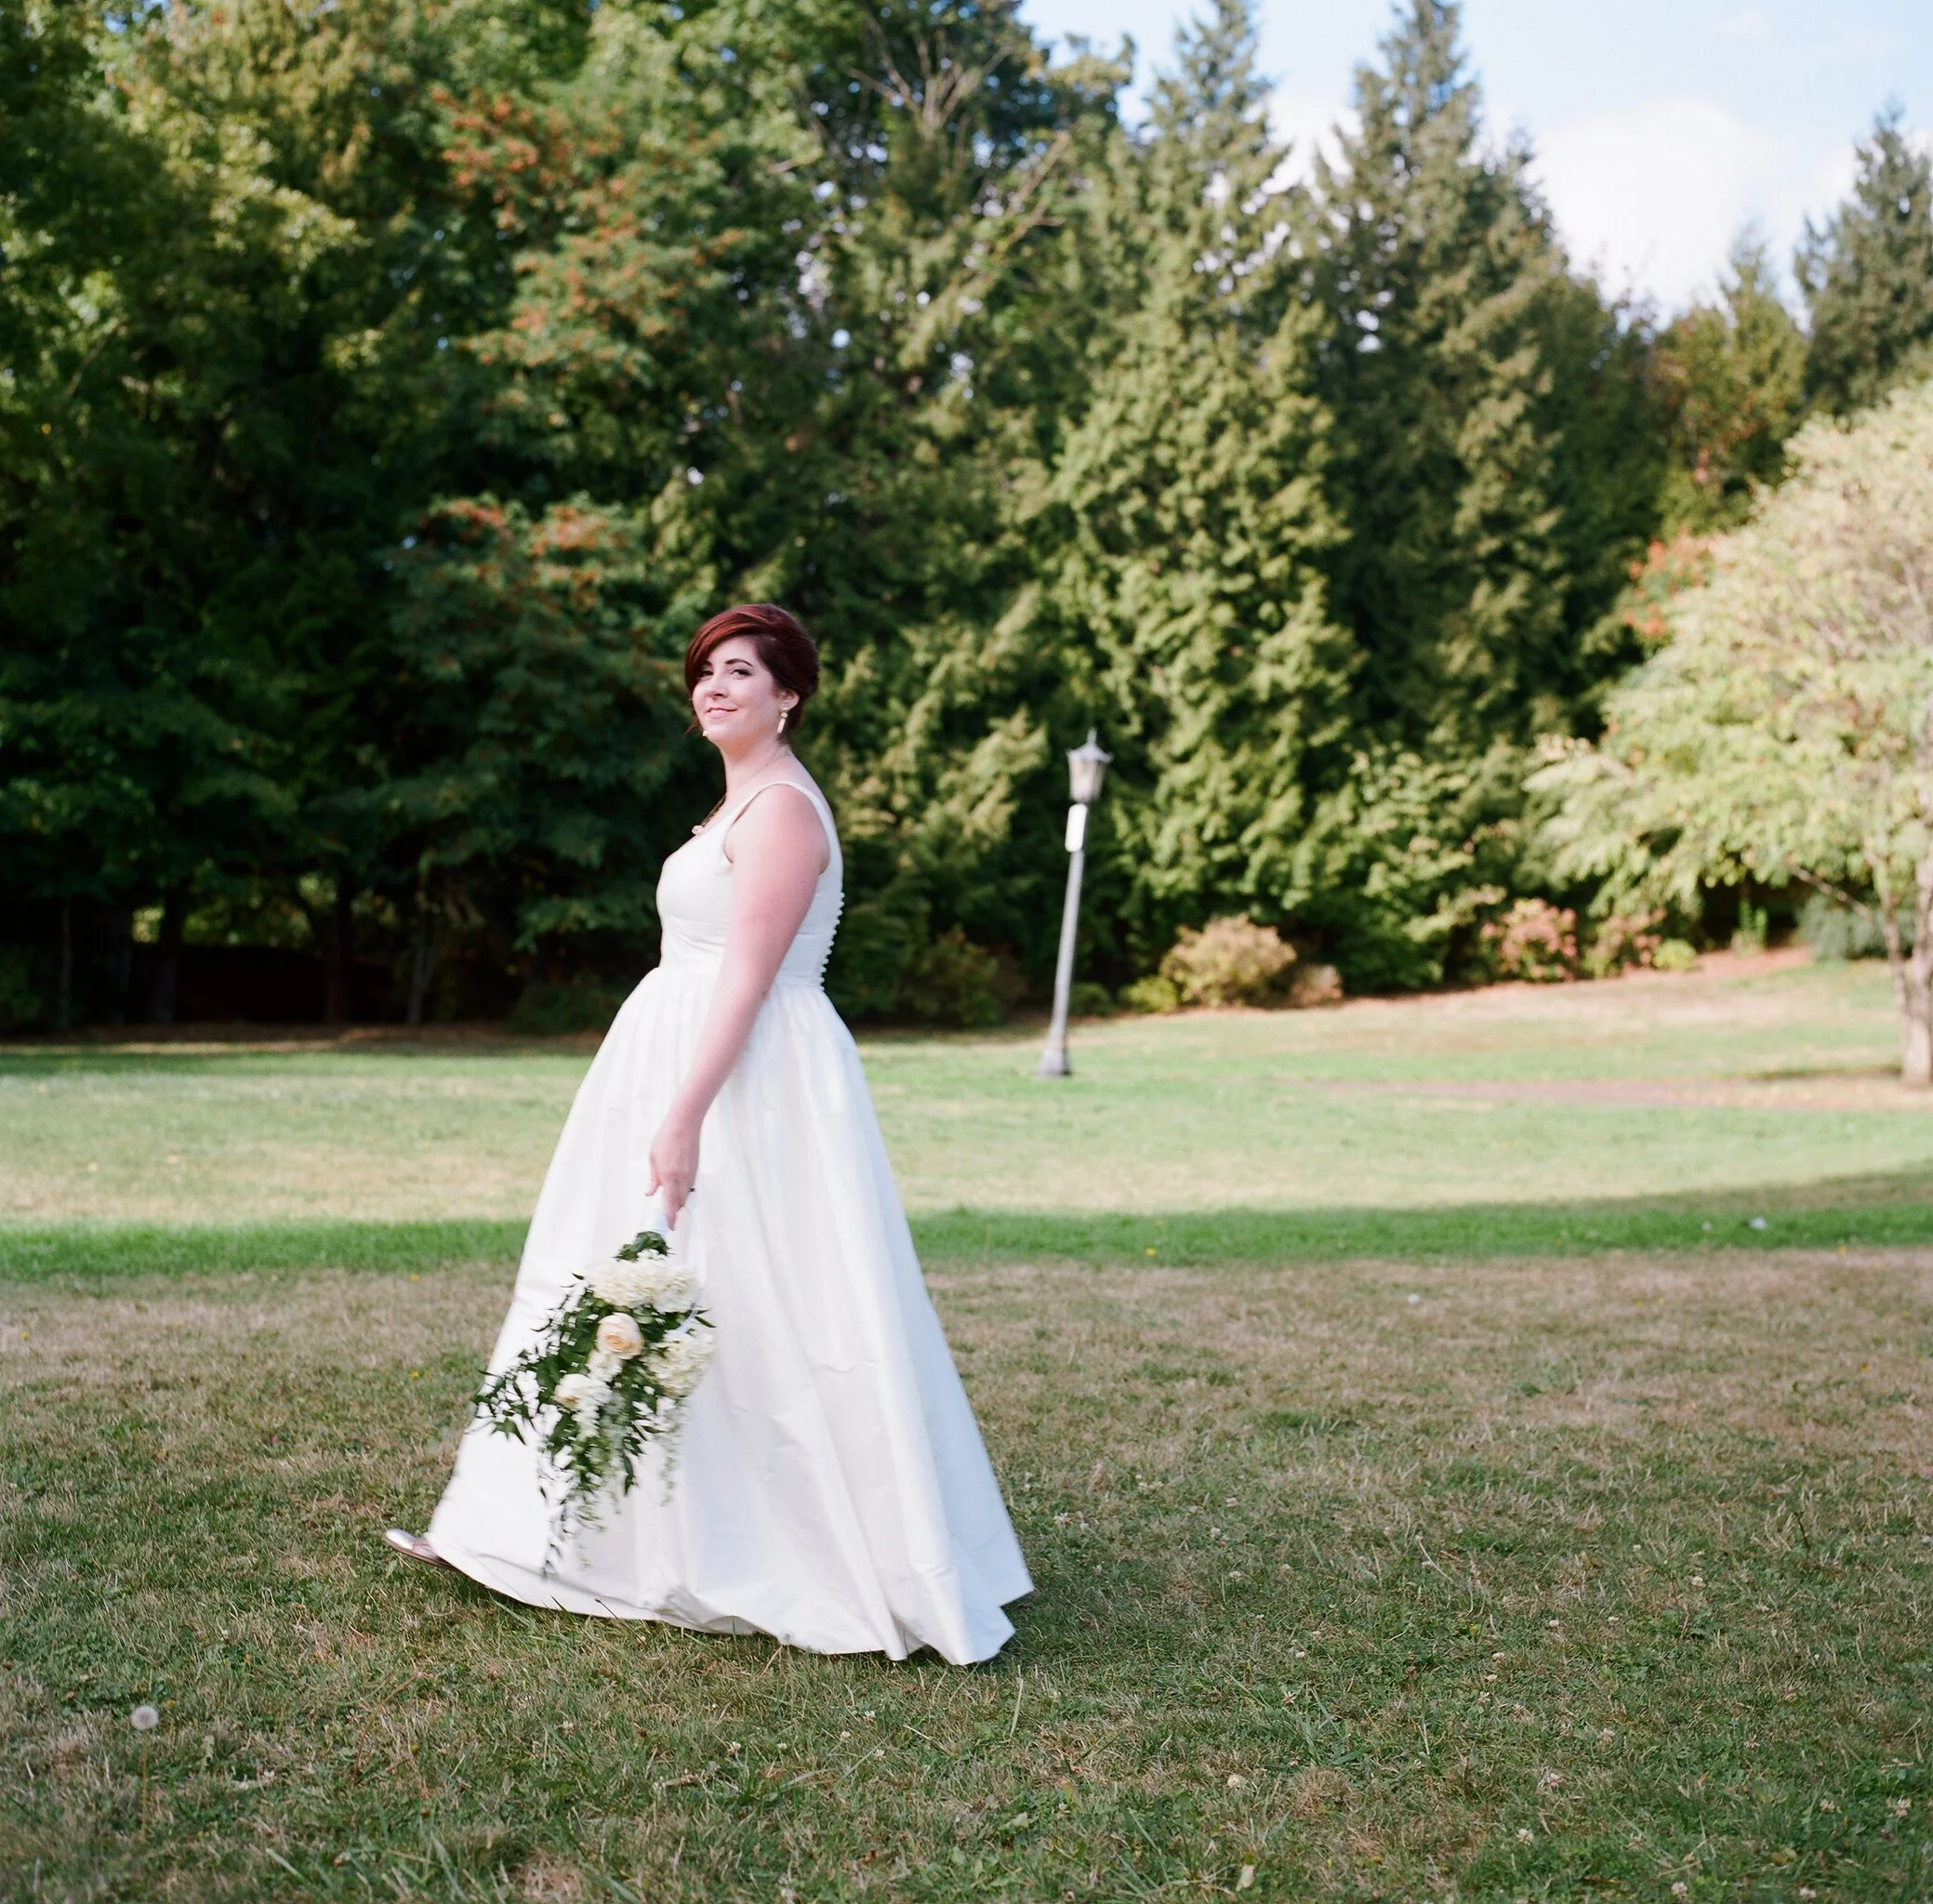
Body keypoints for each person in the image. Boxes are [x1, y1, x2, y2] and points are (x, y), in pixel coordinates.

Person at [385, 603, 1031, 1664]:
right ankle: (551, 1525)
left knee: (751, 1295)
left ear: (789, 695)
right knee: (632, 1282)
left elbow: (750, 976)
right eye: (704, 672)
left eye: (741, 670)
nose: (716, 686)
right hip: (680, 1057)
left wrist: (682, 1116)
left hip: (751, 1086)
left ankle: (767, 1542)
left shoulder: (781, 811)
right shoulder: (733, 805)